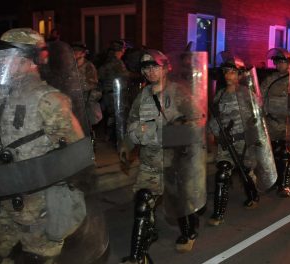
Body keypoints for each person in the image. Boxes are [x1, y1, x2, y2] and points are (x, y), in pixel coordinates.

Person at [0, 28, 94, 263]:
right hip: (5, 198)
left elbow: (76, 155)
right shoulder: (3, 95)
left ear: (27, 60)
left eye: (5, 58)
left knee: (37, 257)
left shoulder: (48, 99)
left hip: (36, 205)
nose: (0, 63)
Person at [120, 49, 208, 263]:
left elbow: (198, 120)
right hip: (149, 162)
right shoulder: (143, 96)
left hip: (175, 162)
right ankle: (138, 256)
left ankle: (189, 232)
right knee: (142, 203)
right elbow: (133, 122)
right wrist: (127, 145)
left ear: (165, 68)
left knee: (180, 203)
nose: (149, 71)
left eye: (154, 67)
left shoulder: (178, 92)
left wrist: (180, 128)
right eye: (145, 68)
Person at [208, 54, 265, 226]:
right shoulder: (220, 95)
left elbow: (258, 117)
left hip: (244, 142)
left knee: (245, 171)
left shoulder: (248, 94)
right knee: (222, 173)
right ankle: (218, 213)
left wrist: (255, 139)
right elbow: (214, 118)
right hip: (226, 142)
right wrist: (212, 133)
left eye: (232, 72)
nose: (228, 76)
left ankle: (253, 194)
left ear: (239, 75)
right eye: (226, 72)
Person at [260, 48, 290, 198]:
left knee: (285, 154)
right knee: (273, 154)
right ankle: (274, 180)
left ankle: (284, 184)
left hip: (288, 122)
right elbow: (260, 96)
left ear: (289, 63)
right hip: (271, 122)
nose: (280, 65)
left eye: (283, 62)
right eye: (278, 62)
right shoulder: (270, 79)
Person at [98, 40, 130, 146]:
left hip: (107, 93)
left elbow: (100, 76)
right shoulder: (117, 62)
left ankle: (109, 136)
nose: (124, 51)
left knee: (111, 116)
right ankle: (115, 140)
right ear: (121, 50)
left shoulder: (106, 60)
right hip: (115, 94)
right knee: (117, 117)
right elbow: (125, 76)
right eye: (124, 49)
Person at [71, 42, 102, 129]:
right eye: (73, 51)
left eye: (77, 51)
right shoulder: (69, 65)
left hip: (85, 99)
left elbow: (93, 84)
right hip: (72, 99)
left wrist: (79, 87)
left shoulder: (88, 66)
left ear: (83, 53)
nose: (75, 53)